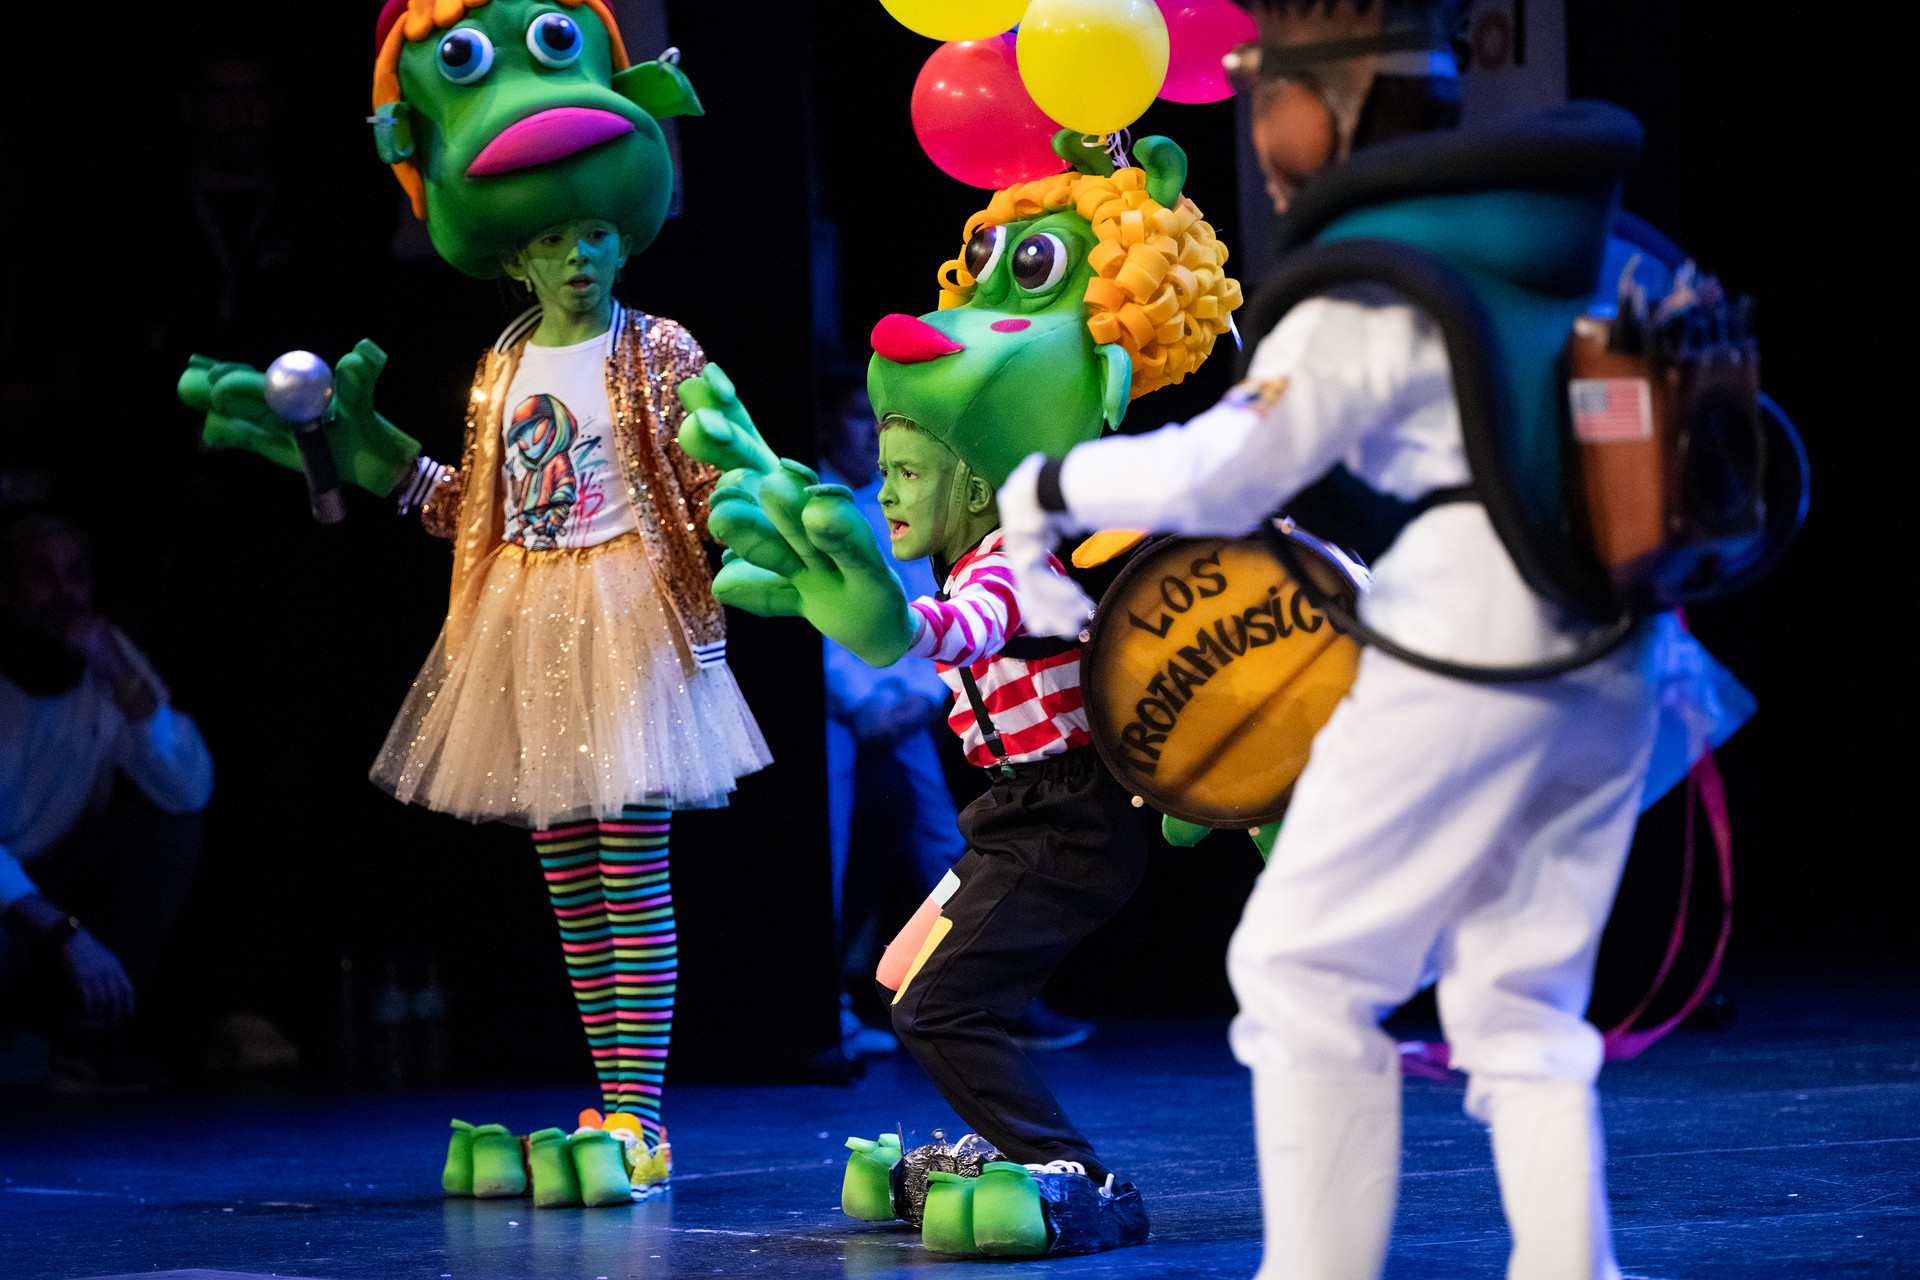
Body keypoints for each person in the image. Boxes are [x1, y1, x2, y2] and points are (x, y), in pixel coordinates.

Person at [997, 3, 1677, 1275]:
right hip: (1621, 654)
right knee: (1522, 1005)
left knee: (1302, 970)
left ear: (1332, 107)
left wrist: (1046, 489)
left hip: (1471, 639)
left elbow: (1225, 476)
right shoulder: (1580, 241)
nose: (1257, 128)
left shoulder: (1380, 278)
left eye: (1269, 94)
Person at [176, 1, 767, 1201]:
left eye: (599, 235)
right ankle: (610, 1100)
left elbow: (720, 478)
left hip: (630, 616)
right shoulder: (500, 366)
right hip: (530, 621)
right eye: (558, 244)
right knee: (567, 872)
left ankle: (645, 1116)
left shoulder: (660, 349)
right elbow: (470, 506)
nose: (581, 256)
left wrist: (768, 518)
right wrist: (365, 449)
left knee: (632, 865)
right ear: (520, 257)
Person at [0, 515, 213, 1093]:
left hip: (56, 879)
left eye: (75, 573)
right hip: (11, 904)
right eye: (40, 575)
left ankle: (87, 1040)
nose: (63, 592)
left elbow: (189, 786)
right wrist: (60, 930)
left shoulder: (102, 659)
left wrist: (115, 666)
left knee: (170, 828)